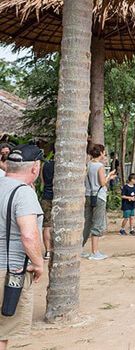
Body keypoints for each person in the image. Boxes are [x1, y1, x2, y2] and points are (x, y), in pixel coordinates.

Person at [0, 145, 45, 349]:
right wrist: (38, 263)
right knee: (3, 331)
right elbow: (28, 235)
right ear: (35, 168)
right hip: (9, 272)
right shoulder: (23, 193)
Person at [83, 144, 116, 260]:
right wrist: (110, 176)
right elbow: (102, 183)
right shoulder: (99, 166)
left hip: (88, 195)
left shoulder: (88, 165)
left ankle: (80, 249)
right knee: (97, 223)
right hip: (99, 196)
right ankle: (94, 252)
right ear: (101, 153)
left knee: (87, 222)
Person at [40, 158, 54, 260]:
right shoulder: (60, 165)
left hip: (46, 196)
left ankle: (48, 251)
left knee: (47, 225)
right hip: (57, 197)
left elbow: (42, 181)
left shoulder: (45, 164)